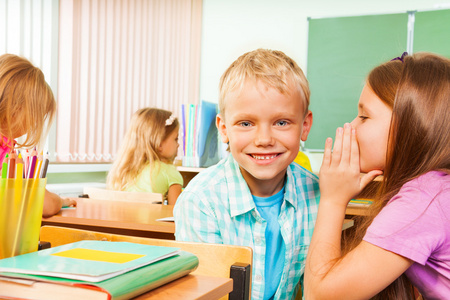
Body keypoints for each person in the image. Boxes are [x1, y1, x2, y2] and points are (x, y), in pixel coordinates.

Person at [174, 49, 320, 300]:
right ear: (224, 128)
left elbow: (317, 289)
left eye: (282, 122)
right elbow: (205, 294)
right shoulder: (200, 201)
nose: (264, 140)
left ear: (304, 126)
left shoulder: (317, 194)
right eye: (246, 123)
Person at [304, 52, 450, 299]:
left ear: (411, 125)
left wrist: (332, 200)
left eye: (364, 116)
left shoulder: (423, 200)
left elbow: (320, 295)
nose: (350, 126)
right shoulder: (436, 188)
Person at [0, 53, 76, 218]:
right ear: (16, 110)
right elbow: (43, 204)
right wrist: (59, 200)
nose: (34, 124)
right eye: (35, 115)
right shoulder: (5, 152)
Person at [107, 107, 183, 205]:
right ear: (159, 143)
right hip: (151, 220)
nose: (178, 144)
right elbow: (176, 214)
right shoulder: (170, 173)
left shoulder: (123, 172)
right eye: (176, 139)